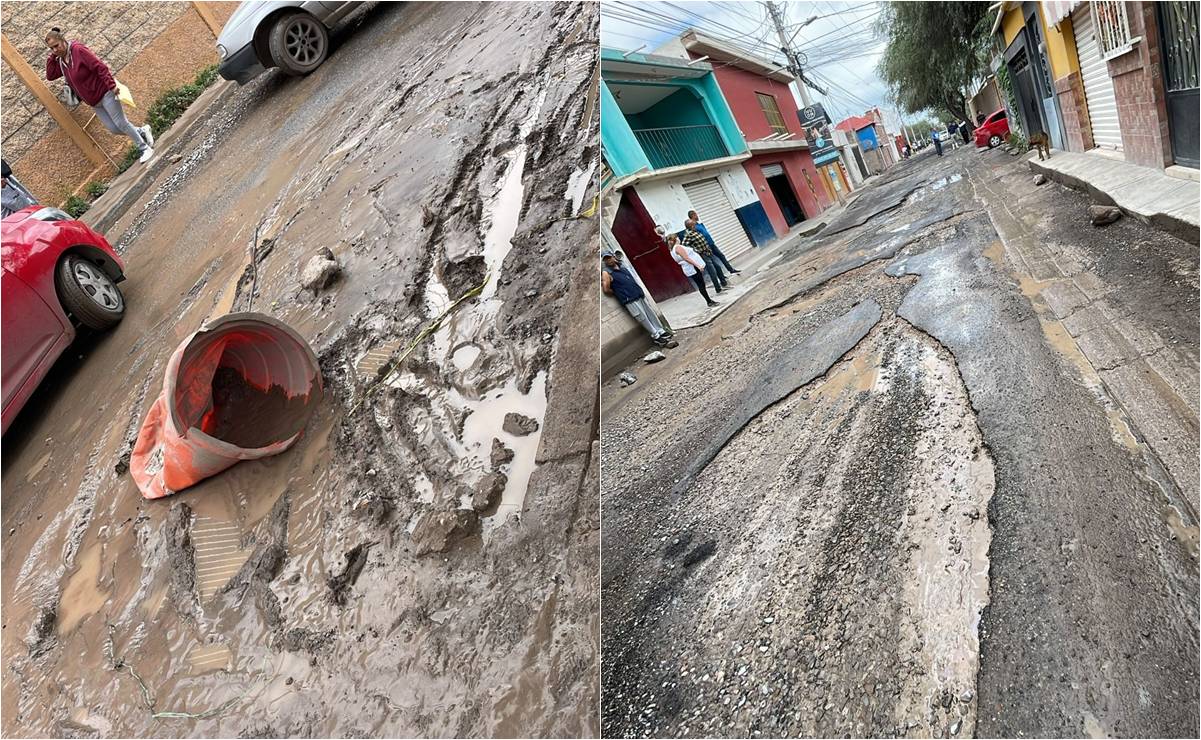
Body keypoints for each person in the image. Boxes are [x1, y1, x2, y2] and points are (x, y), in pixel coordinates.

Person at [45, 27, 154, 164]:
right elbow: (50, 75)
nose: (55, 50)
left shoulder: (78, 50)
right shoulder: (61, 61)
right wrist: (53, 56)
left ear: (63, 40)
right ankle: (142, 131)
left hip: (105, 93)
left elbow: (99, 66)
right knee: (114, 129)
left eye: (56, 46)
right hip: (94, 102)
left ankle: (144, 148)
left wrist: (111, 85)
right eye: (51, 48)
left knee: (121, 122)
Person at [601, 251, 677, 348]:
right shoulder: (606, 272)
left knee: (650, 313)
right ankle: (656, 336)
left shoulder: (622, 267)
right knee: (642, 317)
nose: (608, 260)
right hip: (629, 299)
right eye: (606, 259)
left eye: (609, 257)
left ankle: (661, 331)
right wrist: (619, 292)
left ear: (613, 257)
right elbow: (606, 289)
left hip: (637, 294)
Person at [668, 233, 717, 307]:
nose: (679, 238)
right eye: (677, 237)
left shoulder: (672, 250)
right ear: (675, 239)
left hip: (689, 268)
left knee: (700, 284)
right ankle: (709, 301)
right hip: (692, 267)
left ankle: (709, 300)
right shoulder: (678, 247)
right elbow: (686, 258)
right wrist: (698, 265)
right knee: (701, 284)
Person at [685, 210, 740, 276]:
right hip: (706, 247)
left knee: (721, 256)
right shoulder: (694, 227)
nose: (697, 216)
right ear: (693, 216)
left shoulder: (699, 224)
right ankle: (722, 277)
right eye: (696, 214)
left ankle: (731, 270)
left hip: (711, 244)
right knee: (714, 263)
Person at [680, 219, 727, 294]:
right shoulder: (688, 235)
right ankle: (718, 289)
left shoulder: (695, 232)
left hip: (708, 252)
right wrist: (696, 251)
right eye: (694, 224)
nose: (695, 226)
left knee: (717, 267)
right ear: (691, 226)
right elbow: (685, 246)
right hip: (703, 255)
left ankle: (724, 283)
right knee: (712, 271)